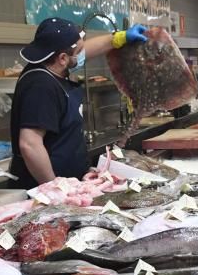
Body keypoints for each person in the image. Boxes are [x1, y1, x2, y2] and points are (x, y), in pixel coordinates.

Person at [9, 18, 147, 189]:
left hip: (71, 185)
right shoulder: (41, 86)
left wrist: (119, 38)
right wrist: (56, 189)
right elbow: (30, 145)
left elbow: (79, 51)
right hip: (43, 193)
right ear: (62, 58)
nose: (83, 55)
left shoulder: (53, 65)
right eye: (79, 51)